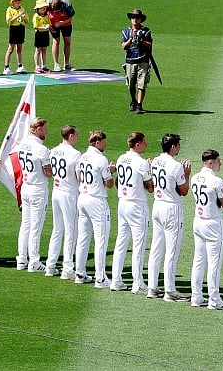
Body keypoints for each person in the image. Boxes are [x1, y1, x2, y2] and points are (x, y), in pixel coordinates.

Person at [146, 132, 191, 300]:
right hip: (172, 208)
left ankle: (152, 287)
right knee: (172, 251)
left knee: (156, 249)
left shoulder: (155, 161)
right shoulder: (176, 165)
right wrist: (186, 174)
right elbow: (184, 191)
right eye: (178, 145)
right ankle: (170, 290)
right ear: (173, 147)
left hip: (157, 205)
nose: (179, 147)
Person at [111, 131, 153, 293]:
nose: (146, 144)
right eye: (144, 142)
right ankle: (138, 283)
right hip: (137, 206)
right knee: (139, 245)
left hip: (123, 203)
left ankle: (116, 280)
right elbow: (150, 188)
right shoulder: (141, 163)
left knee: (121, 243)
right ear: (137, 144)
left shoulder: (122, 158)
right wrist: (149, 169)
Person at [191, 148, 223, 309]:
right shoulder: (216, 181)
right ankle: (214, 300)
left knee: (199, 260)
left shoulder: (194, 177)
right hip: (213, 224)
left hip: (198, 221)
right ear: (210, 162)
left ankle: (196, 296)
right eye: (218, 161)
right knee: (214, 263)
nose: (220, 164)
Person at [74, 130, 114, 286]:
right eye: (104, 141)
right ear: (97, 142)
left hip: (82, 198)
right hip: (97, 201)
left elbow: (78, 176)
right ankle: (101, 278)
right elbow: (109, 184)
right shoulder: (101, 159)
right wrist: (110, 173)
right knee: (101, 240)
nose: (105, 144)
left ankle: (80, 273)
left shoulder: (83, 156)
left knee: (83, 238)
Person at [16, 117, 53, 272]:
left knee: (25, 225)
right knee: (35, 227)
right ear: (38, 129)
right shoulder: (41, 149)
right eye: (45, 128)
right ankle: (34, 261)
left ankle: (22, 259)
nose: (47, 131)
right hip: (38, 189)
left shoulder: (22, 144)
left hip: (26, 187)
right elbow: (48, 173)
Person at [45, 124, 81, 279]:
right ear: (71, 136)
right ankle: (67, 268)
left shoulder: (53, 150)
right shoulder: (75, 154)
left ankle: (50, 265)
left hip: (57, 191)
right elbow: (79, 176)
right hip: (69, 193)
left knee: (57, 229)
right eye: (76, 135)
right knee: (71, 231)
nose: (77, 137)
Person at [122, 9, 152, 113]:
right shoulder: (125, 31)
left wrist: (141, 39)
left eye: (137, 17)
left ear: (140, 19)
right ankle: (133, 100)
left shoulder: (146, 31)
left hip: (143, 60)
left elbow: (149, 45)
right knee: (131, 84)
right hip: (130, 61)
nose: (135, 19)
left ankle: (139, 105)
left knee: (142, 84)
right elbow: (123, 46)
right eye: (133, 17)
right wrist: (131, 39)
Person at [46, 0, 74, 71]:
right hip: (53, 24)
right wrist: (48, 25)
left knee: (67, 42)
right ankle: (56, 64)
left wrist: (62, 23)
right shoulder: (47, 4)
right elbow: (43, 16)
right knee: (56, 41)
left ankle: (67, 64)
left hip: (66, 23)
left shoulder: (67, 5)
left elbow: (70, 18)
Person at [4, 0, 28, 74]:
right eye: (16, 0)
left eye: (19, 0)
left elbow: (27, 21)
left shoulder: (22, 9)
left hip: (21, 28)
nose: (18, 1)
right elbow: (9, 21)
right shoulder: (10, 9)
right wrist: (18, 15)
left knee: (19, 48)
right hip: (14, 28)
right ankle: (6, 67)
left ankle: (20, 66)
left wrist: (24, 18)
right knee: (11, 48)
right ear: (12, 2)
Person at [31, 0, 51, 73]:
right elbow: (36, 27)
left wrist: (49, 26)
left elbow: (49, 23)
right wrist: (44, 28)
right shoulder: (36, 16)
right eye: (43, 8)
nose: (44, 10)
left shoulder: (46, 15)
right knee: (38, 50)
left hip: (45, 34)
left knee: (44, 50)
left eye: (45, 8)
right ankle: (37, 66)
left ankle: (44, 65)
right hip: (39, 34)